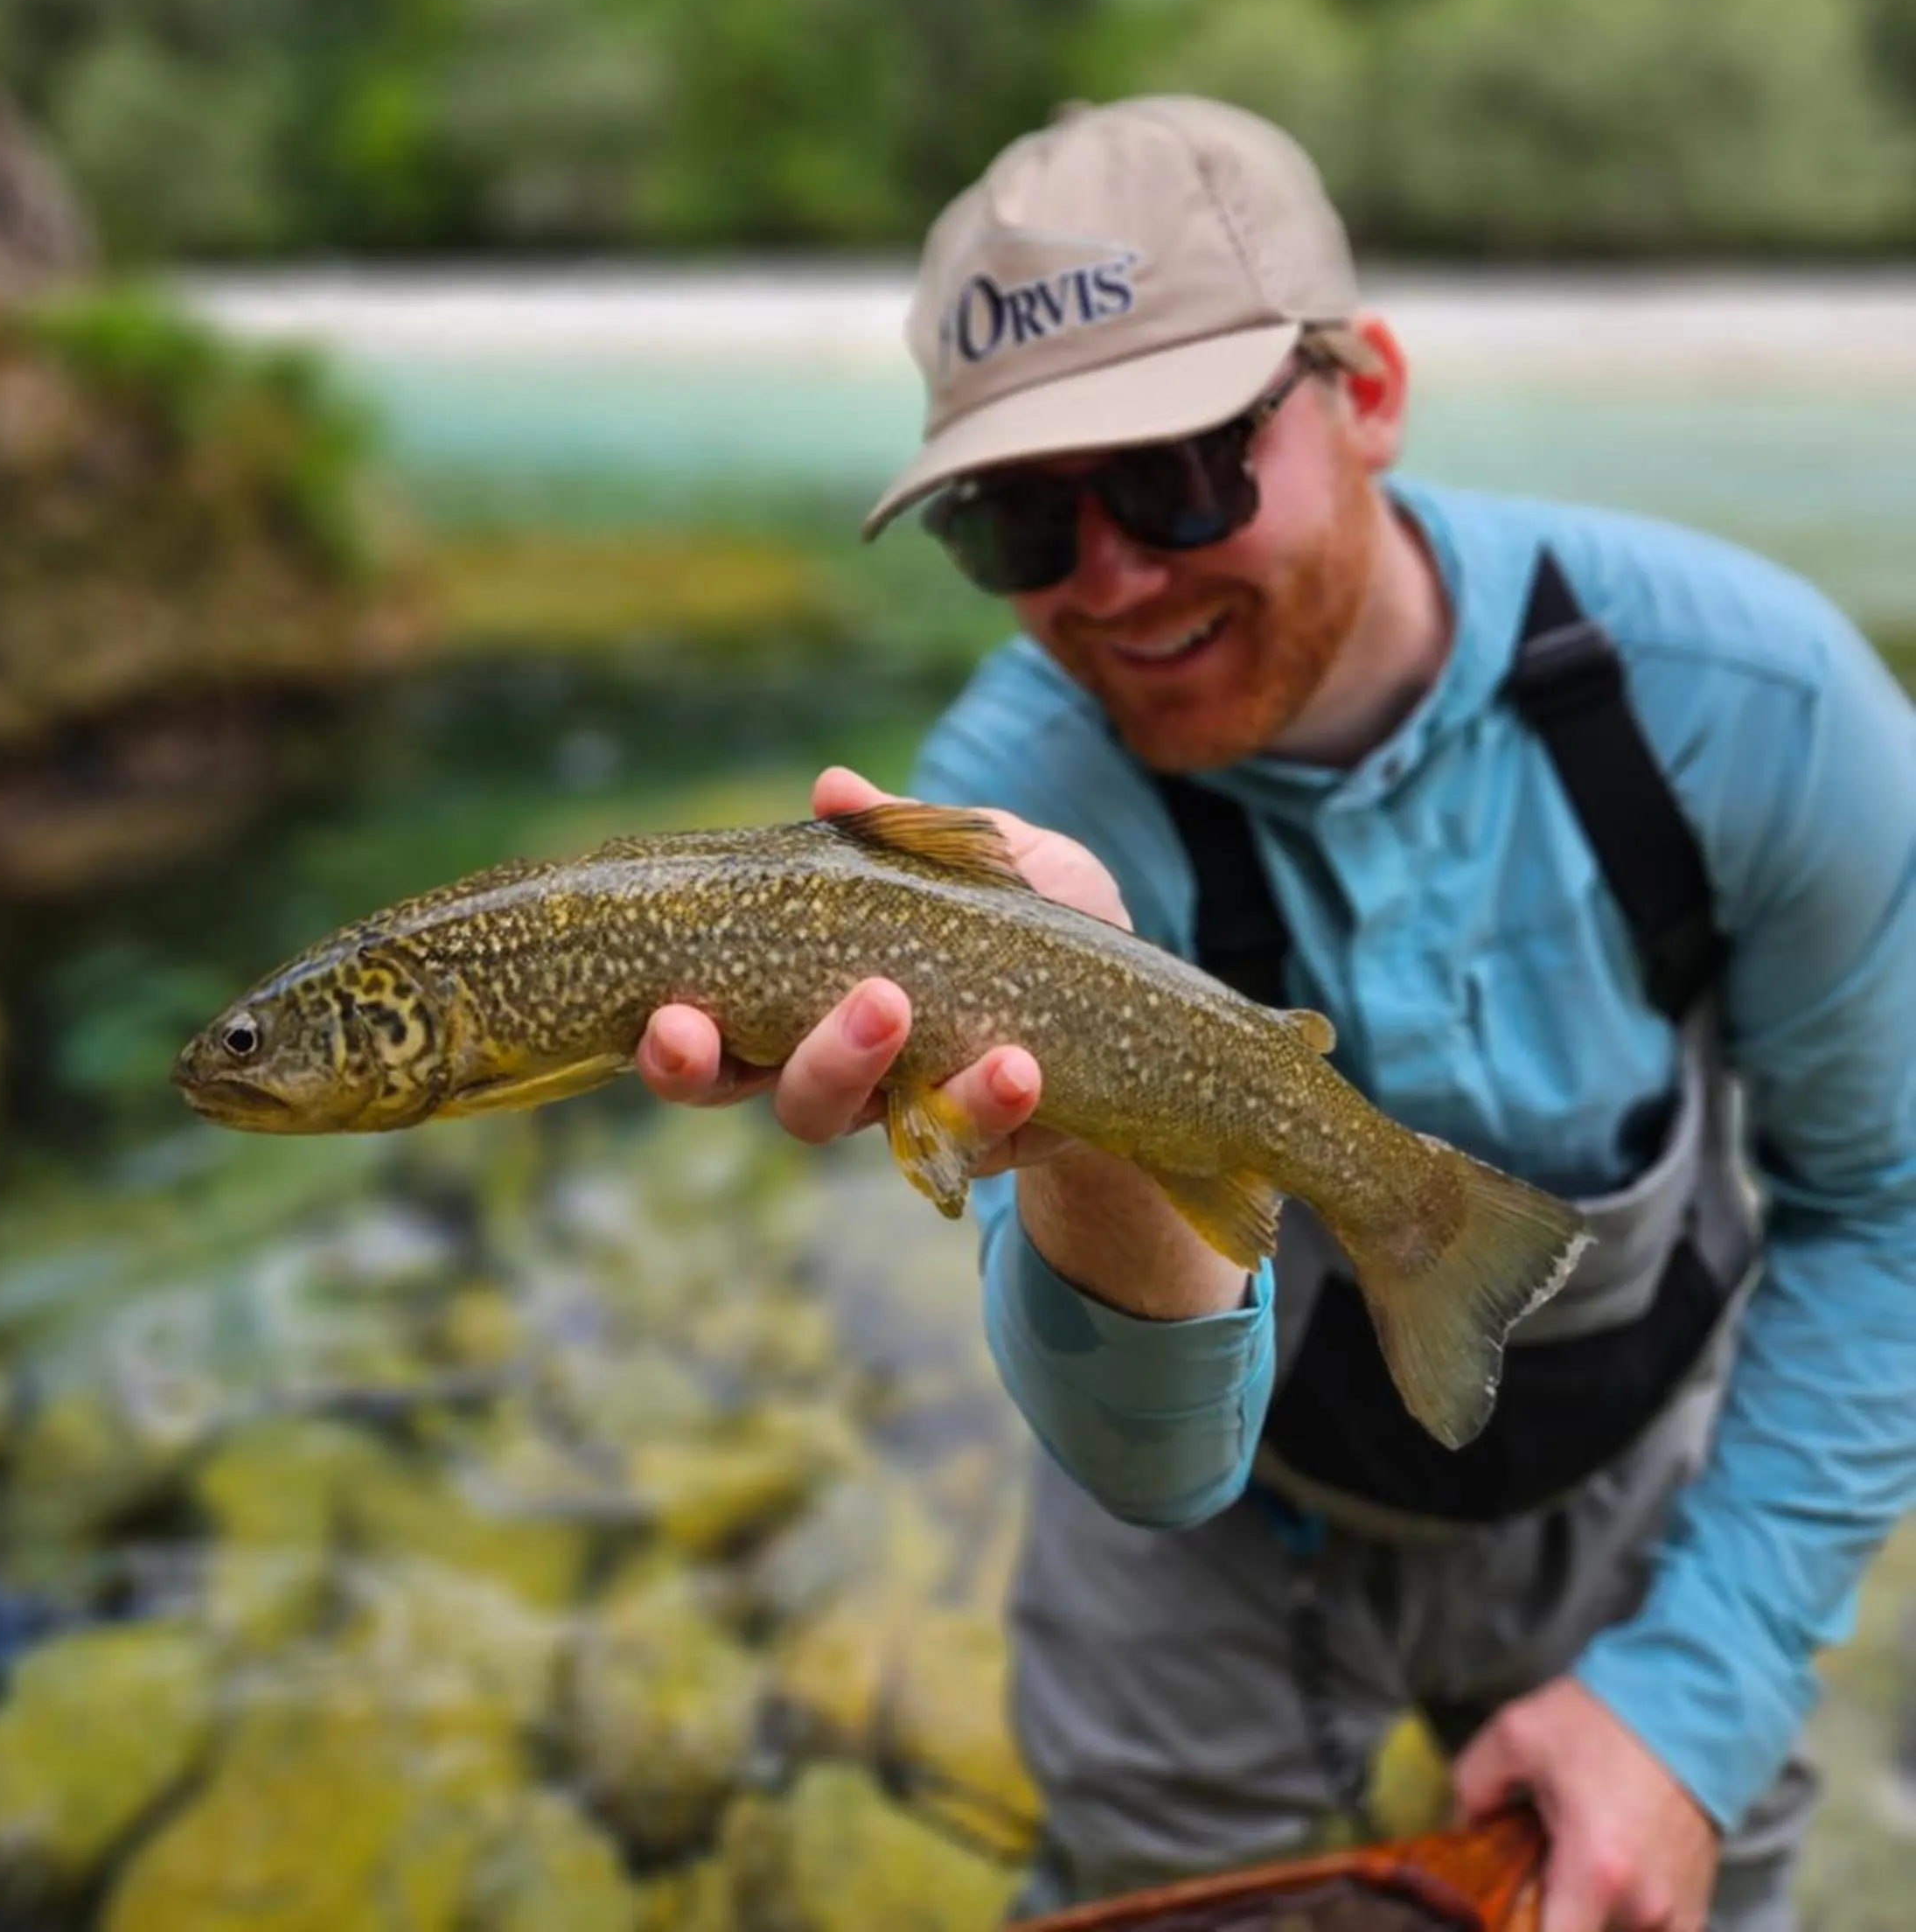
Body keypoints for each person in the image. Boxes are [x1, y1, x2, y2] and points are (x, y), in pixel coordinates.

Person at [633, 96, 1916, 1932]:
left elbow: (1886, 1211)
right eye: (1017, 521)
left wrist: (1695, 1702)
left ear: (1370, 390)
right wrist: (1075, 1105)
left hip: (1644, 1494)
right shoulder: (1006, 808)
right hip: (1221, 1546)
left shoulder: (1760, 708)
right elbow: (1151, 1466)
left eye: (1175, 473)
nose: (1113, 581)